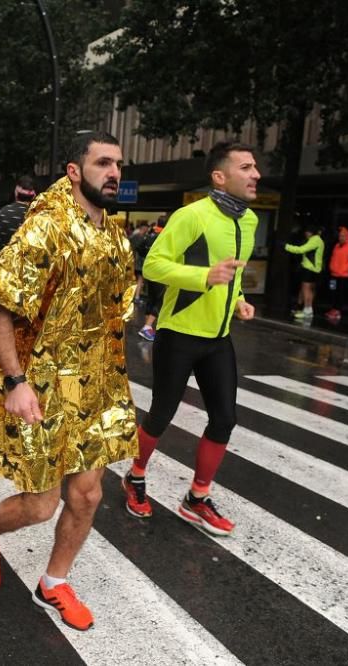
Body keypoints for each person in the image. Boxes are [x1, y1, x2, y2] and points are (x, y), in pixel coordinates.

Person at [0, 130, 136, 632]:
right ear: (74, 171)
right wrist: (16, 380)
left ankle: (54, 583)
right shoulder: (46, 228)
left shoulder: (114, 233)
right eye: (103, 163)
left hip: (96, 384)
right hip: (39, 384)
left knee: (86, 496)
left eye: (118, 164)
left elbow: (115, 306)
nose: (114, 173)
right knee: (41, 504)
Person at [123, 140, 259, 535]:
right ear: (221, 176)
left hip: (218, 337)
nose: (256, 175)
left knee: (225, 419)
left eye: (255, 168)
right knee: (162, 414)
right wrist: (204, 277)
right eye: (246, 167)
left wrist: (239, 301)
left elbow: (230, 275)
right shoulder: (191, 215)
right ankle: (134, 476)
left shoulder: (248, 222)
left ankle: (196, 498)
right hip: (179, 332)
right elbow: (153, 265)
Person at [286, 225, 325, 320]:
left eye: (308, 232)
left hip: (309, 268)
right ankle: (307, 309)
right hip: (314, 268)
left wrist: (286, 246)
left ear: (312, 232)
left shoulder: (315, 240)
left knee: (306, 289)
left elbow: (301, 250)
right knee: (309, 289)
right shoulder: (318, 240)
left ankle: (307, 310)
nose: (306, 234)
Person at [134, 222, 163, 340]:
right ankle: (147, 326)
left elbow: (139, 247)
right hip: (159, 271)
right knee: (161, 299)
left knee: (151, 297)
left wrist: (146, 257)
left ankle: (147, 327)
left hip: (149, 269)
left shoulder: (149, 235)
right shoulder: (163, 236)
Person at [0, 175, 36, 250]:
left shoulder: (3, 212)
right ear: (33, 196)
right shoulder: (36, 215)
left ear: (16, 193)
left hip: (4, 259)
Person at [325, 226, 348, 321]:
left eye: (343, 236)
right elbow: (333, 258)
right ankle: (333, 309)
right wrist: (331, 267)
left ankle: (337, 311)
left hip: (343, 275)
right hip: (334, 274)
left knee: (340, 294)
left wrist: (342, 269)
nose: (341, 238)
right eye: (340, 236)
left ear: (347, 236)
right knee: (333, 291)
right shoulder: (336, 246)